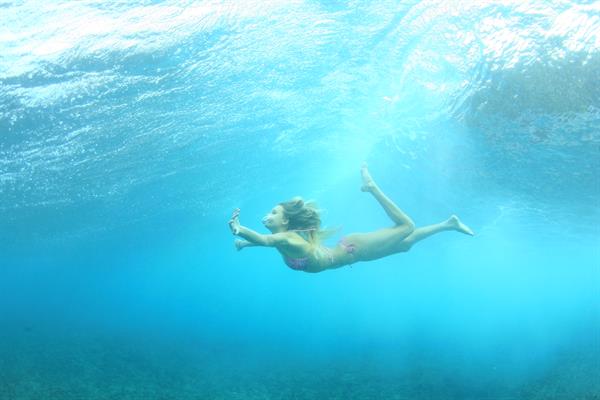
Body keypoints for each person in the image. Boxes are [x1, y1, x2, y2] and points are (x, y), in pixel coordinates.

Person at [228, 164, 474, 273]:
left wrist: (240, 230)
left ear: (285, 222)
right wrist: (245, 244)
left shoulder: (289, 239)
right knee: (405, 245)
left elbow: (264, 240)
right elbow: (267, 242)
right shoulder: (282, 238)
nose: (266, 216)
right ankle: (448, 224)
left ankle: (371, 187)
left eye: (273, 213)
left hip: (355, 249)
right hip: (352, 253)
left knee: (406, 227)